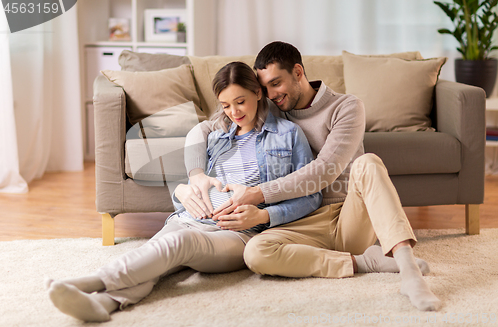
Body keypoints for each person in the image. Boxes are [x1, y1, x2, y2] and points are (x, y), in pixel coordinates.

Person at [45, 61, 322, 322]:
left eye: (241, 102)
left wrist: (263, 217)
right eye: (226, 105)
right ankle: (102, 304)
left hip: (236, 234)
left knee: (177, 245)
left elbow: (311, 196)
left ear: (258, 93)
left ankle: (92, 281)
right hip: (189, 218)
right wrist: (182, 191)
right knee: (155, 259)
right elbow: (189, 184)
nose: (234, 112)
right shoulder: (215, 138)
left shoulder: (288, 134)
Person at [184, 42, 441, 311]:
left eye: (276, 83)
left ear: (297, 72)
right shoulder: (271, 107)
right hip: (302, 219)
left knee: (368, 163)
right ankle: (361, 262)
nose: (271, 95)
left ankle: (409, 272)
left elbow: (325, 170)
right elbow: (202, 130)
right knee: (256, 253)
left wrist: (258, 193)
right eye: (265, 88)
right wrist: (196, 175)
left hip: (348, 216)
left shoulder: (347, 106)